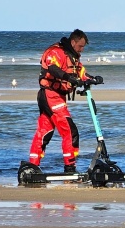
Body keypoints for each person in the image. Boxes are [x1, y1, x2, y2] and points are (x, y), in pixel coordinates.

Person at [28, 29, 102, 174]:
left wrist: (93, 78)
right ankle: (70, 167)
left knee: (45, 131)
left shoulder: (73, 57)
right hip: (50, 95)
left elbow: (80, 73)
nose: (82, 50)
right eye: (80, 46)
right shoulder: (55, 52)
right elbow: (53, 68)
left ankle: (32, 166)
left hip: (56, 96)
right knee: (69, 130)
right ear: (73, 42)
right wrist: (68, 79)